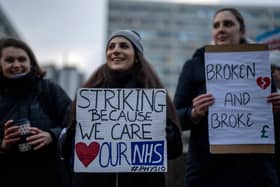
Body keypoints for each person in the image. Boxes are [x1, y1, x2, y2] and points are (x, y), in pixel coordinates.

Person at [61, 29, 183, 187]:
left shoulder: (154, 96)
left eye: (124, 46)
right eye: (111, 47)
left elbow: (175, 148)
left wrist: (159, 130)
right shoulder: (88, 96)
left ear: (137, 56)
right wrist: (76, 130)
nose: (115, 51)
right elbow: (65, 146)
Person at [174, 8, 280, 187]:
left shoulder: (260, 65)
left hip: (255, 171)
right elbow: (176, 116)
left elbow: (269, 121)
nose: (221, 29)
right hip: (207, 171)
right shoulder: (194, 65)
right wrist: (194, 113)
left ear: (242, 31)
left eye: (228, 24)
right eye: (216, 25)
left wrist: (278, 110)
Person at [0, 38, 71, 187]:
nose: (17, 65)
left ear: (31, 63)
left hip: (49, 178)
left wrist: (52, 136)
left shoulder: (48, 89)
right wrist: (4, 145)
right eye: (9, 60)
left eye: (22, 59)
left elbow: (74, 123)